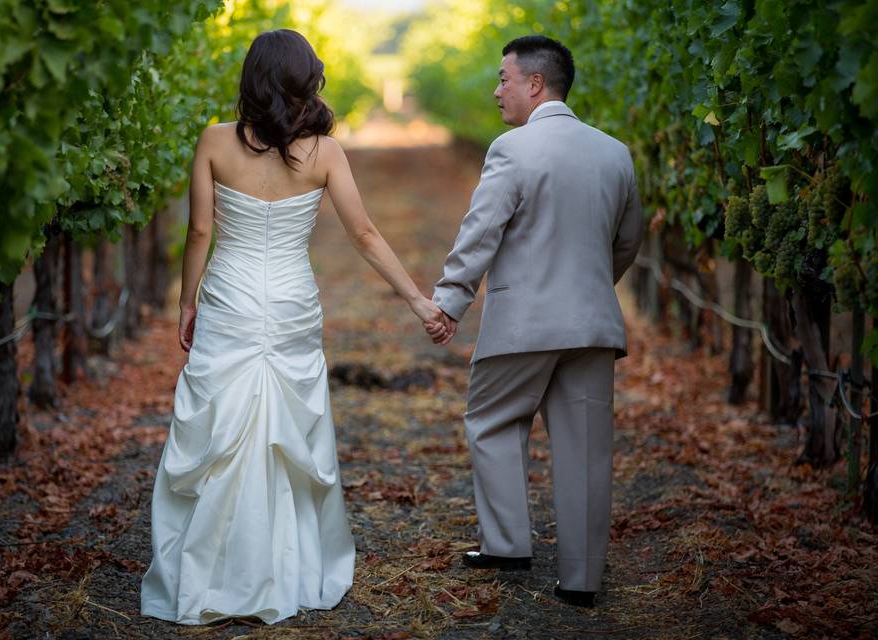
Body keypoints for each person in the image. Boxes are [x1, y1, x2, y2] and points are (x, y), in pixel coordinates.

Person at [140, 29, 449, 625]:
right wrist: (418, 300)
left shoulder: (212, 142)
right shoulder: (325, 152)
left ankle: (211, 569)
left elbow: (199, 234)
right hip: (288, 301)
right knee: (285, 431)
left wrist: (186, 303)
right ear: (306, 80)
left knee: (220, 428)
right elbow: (363, 235)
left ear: (252, 77)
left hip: (229, 299)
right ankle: (288, 565)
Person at [426, 35, 644, 608]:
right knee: (586, 450)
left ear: (535, 84)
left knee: (493, 421)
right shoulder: (615, 153)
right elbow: (626, 244)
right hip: (594, 325)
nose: (497, 91)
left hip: (523, 324)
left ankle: (506, 544)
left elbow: (480, 233)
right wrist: (588, 289)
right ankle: (581, 581)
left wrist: (449, 302)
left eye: (503, 78)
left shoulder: (512, 150)